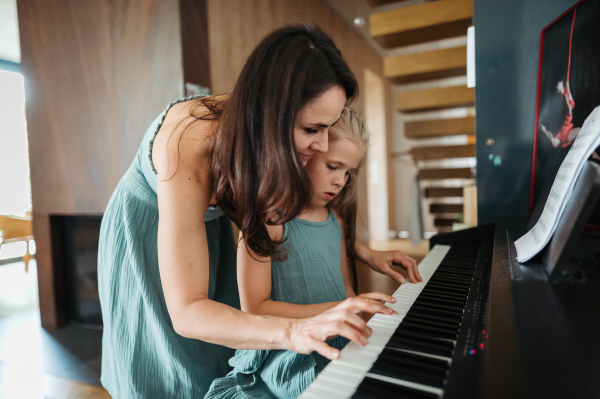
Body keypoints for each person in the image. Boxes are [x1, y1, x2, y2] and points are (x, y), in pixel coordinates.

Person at [97, 23, 419, 399]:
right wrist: (293, 331)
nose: (323, 144)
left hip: (216, 232)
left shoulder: (266, 138)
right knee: (167, 370)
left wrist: (359, 251)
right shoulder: (189, 138)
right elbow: (187, 312)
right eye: (313, 128)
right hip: (150, 234)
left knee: (221, 357)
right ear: (273, 113)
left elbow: (297, 223)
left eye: (329, 128)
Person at [205, 107, 409, 399]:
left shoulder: (336, 221)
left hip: (337, 342)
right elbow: (255, 308)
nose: (341, 181)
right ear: (302, 156)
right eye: (333, 166)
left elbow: (345, 290)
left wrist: (360, 321)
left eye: (348, 172)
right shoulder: (268, 221)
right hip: (288, 353)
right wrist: (339, 309)